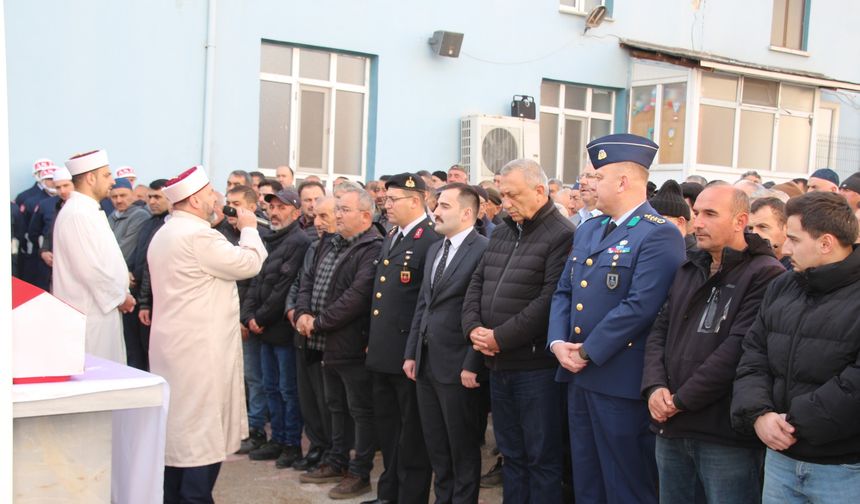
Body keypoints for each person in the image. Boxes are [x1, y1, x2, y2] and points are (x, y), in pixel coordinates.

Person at [548, 134, 686, 504]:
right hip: (579, 375)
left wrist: (587, 351)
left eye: (598, 176)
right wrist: (558, 343)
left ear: (623, 181)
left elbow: (641, 305)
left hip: (619, 379)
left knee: (625, 481)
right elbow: (565, 292)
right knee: (587, 478)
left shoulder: (659, 233)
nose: (588, 184)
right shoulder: (590, 228)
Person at [641, 185, 784, 504]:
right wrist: (653, 388)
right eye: (696, 214)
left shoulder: (766, 274)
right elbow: (659, 331)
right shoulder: (690, 266)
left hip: (723, 434)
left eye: (710, 214)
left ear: (740, 220)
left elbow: (737, 350)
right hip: (672, 427)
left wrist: (680, 400)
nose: (698, 222)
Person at [731, 192, 860, 504]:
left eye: (794, 239)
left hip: (842, 467)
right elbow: (753, 355)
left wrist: (793, 421)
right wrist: (758, 414)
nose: (785, 249)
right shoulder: (783, 286)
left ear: (826, 243)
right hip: (780, 459)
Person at [148, 165, 266, 503]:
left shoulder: (169, 232)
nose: (217, 199)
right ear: (197, 199)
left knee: (179, 435)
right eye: (211, 193)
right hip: (200, 353)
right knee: (200, 436)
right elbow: (249, 263)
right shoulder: (198, 237)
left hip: (176, 349)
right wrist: (249, 229)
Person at [462, 158, 575, 503]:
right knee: (511, 454)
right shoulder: (505, 230)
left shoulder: (563, 234)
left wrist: (500, 337)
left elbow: (550, 300)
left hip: (535, 367)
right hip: (498, 364)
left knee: (541, 457)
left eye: (512, 195)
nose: (505, 203)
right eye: (503, 195)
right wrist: (474, 329)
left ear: (540, 191)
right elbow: (477, 283)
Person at [294, 183, 383, 499]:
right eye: (338, 210)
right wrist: (302, 313)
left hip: (349, 343)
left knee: (359, 409)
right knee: (334, 405)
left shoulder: (372, 247)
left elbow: (355, 298)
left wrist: (317, 322)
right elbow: (308, 280)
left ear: (364, 214)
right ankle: (336, 459)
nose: (338, 216)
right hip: (322, 341)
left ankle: (359, 473)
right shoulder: (329, 242)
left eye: (344, 210)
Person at [405, 183, 488, 504]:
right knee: (437, 445)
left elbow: (481, 311)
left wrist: (472, 363)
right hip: (427, 362)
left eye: (444, 206)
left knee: (462, 447)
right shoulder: (435, 249)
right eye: (436, 205)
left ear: (467, 213)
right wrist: (412, 353)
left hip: (458, 366)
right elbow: (423, 305)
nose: (435, 212)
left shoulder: (482, 249)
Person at [364, 173, 440, 504]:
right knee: (389, 430)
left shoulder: (430, 239)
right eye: (385, 199)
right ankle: (388, 494)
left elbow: (424, 302)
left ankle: (410, 497)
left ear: (415, 200)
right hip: (384, 352)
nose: (386, 204)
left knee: (412, 437)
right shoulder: (393, 235)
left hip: (408, 354)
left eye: (393, 200)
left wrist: (413, 351)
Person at [241, 189, 311, 468]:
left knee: (286, 389)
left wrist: (260, 317)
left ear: (295, 212)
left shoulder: (299, 241)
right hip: (263, 329)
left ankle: (291, 443)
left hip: (281, 329)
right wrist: (248, 316)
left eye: (281, 207)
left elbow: (284, 288)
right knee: (270, 387)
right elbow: (256, 280)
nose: (274, 212)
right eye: (271, 207)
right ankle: (277, 439)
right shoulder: (268, 238)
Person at [52, 150, 135, 363]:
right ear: (90, 178)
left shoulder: (87, 210)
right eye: (106, 175)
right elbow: (89, 269)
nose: (112, 180)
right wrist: (119, 297)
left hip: (102, 311)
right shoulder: (77, 214)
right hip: (91, 315)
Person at [285, 196, 337, 472]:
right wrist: (294, 310)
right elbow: (300, 283)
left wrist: (315, 319)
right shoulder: (314, 247)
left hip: (326, 337)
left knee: (326, 399)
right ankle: (316, 445)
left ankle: (331, 450)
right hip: (303, 333)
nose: (318, 223)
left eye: (325, 216)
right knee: (308, 397)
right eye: (316, 216)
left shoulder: (345, 249)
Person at [225, 184, 273, 454]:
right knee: (240, 376)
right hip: (231, 318)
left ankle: (255, 429)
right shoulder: (223, 233)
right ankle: (242, 427)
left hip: (251, 318)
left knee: (255, 378)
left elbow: (255, 281)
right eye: (228, 202)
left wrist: (246, 318)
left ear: (252, 208)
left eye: (237, 204)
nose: (230, 209)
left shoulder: (258, 236)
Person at [129, 179, 171, 371]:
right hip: (139, 293)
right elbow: (139, 255)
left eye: (157, 197)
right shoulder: (148, 223)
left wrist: (147, 301)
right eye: (150, 197)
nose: (152, 202)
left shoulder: (169, 226)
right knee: (137, 349)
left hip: (157, 299)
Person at [27, 167, 74, 289]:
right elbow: (35, 233)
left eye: (66, 185)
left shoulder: (86, 205)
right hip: (50, 268)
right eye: (58, 187)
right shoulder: (46, 205)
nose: (62, 191)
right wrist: (43, 252)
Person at [108, 177, 151, 263]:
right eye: (114, 197)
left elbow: (125, 249)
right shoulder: (111, 216)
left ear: (132, 195)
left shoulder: (140, 216)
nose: (118, 200)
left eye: (123, 195)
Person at [649, 180, 696, 256]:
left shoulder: (693, 256)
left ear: (680, 222)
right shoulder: (653, 248)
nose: (650, 225)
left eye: (658, 220)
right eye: (649, 219)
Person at [750, 197, 792, 270]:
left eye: (762, 227)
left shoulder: (798, 269)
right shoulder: (744, 264)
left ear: (786, 229)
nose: (754, 233)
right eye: (750, 228)